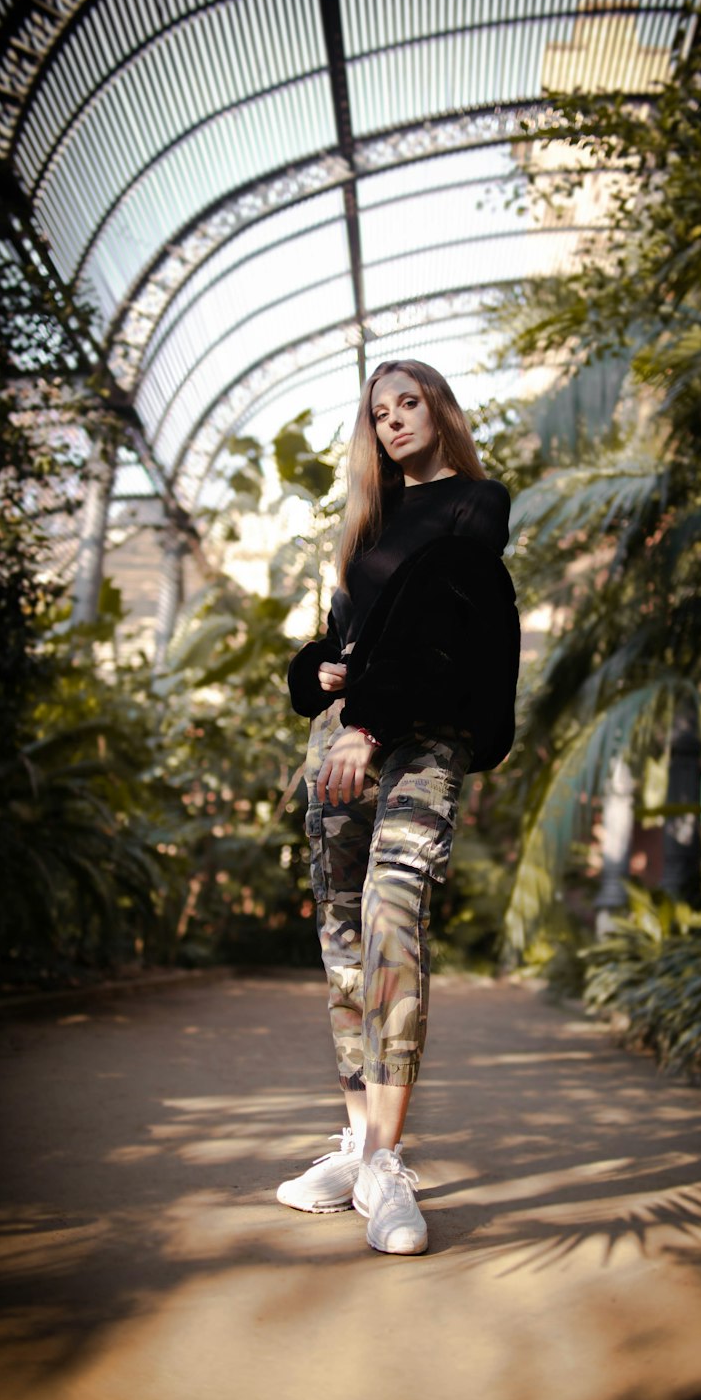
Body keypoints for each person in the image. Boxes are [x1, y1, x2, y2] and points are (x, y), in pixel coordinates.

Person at [280, 359, 519, 1254]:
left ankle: (386, 1161)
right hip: (346, 729)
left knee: (390, 911)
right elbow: (346, 634)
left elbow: (443, 617)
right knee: (341, 926)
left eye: (408, 403)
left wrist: (367, 719)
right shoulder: (366, 526)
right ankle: (354, 1140)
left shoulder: (473, 505)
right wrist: (321, 675)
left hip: (416, 733)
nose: (393, 422)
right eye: (378, 413)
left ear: (439, 410)